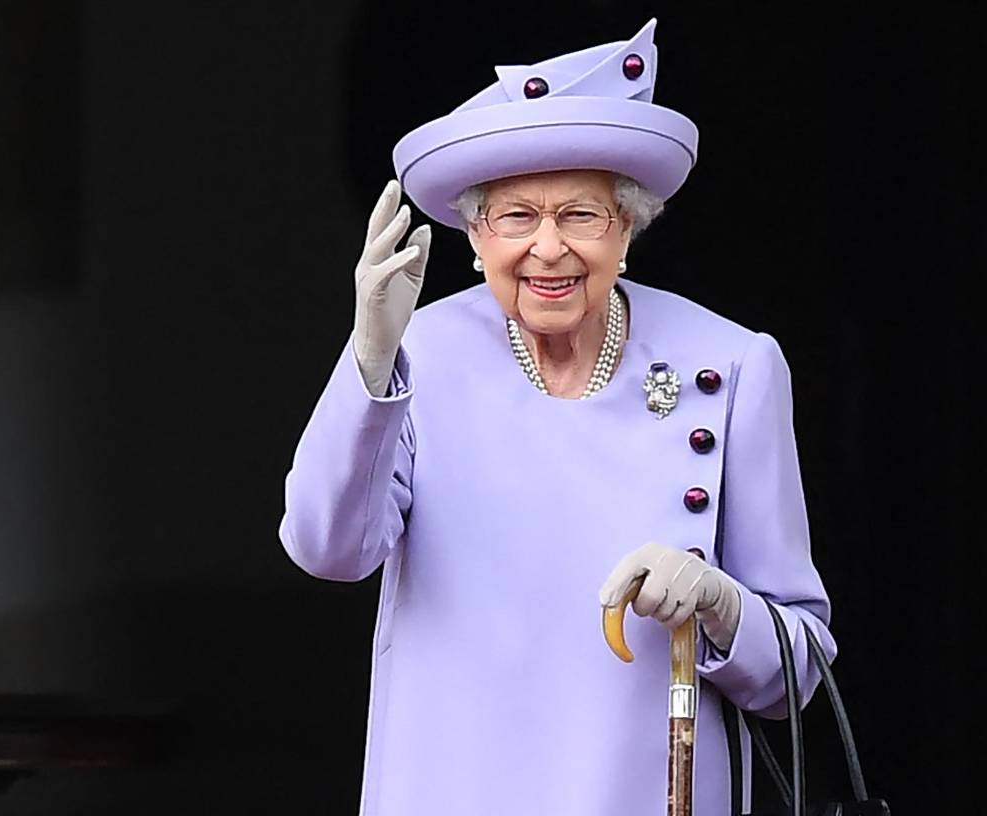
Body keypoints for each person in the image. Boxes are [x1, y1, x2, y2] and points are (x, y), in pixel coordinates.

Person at [278, 18, 835, 815]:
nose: (548, 248)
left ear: (627, 228)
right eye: (515, 218)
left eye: (580, 215)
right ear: (474, 236)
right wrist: (370, 356)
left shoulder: (734, 363)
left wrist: (721, 603)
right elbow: (326, 548)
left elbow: (797, 669)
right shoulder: (419, 353)